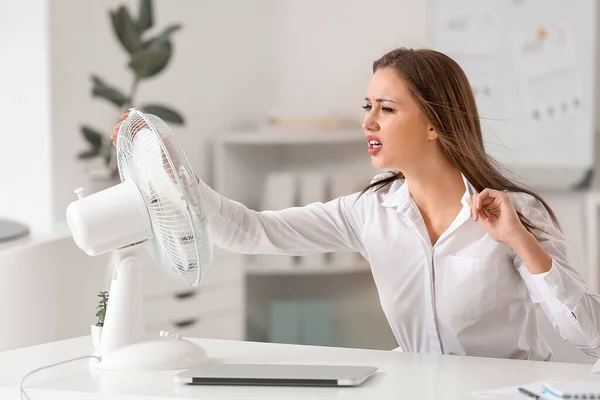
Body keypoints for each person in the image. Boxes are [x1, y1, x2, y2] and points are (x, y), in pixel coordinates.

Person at [112, 47, 600, 361]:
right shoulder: (368, 212)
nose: (368, 123)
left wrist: (517, 239)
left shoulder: (516, 214)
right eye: (367, 106)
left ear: (434, 124)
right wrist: (176, 175)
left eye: (386, 109)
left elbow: (588, 336)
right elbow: (250, 231)